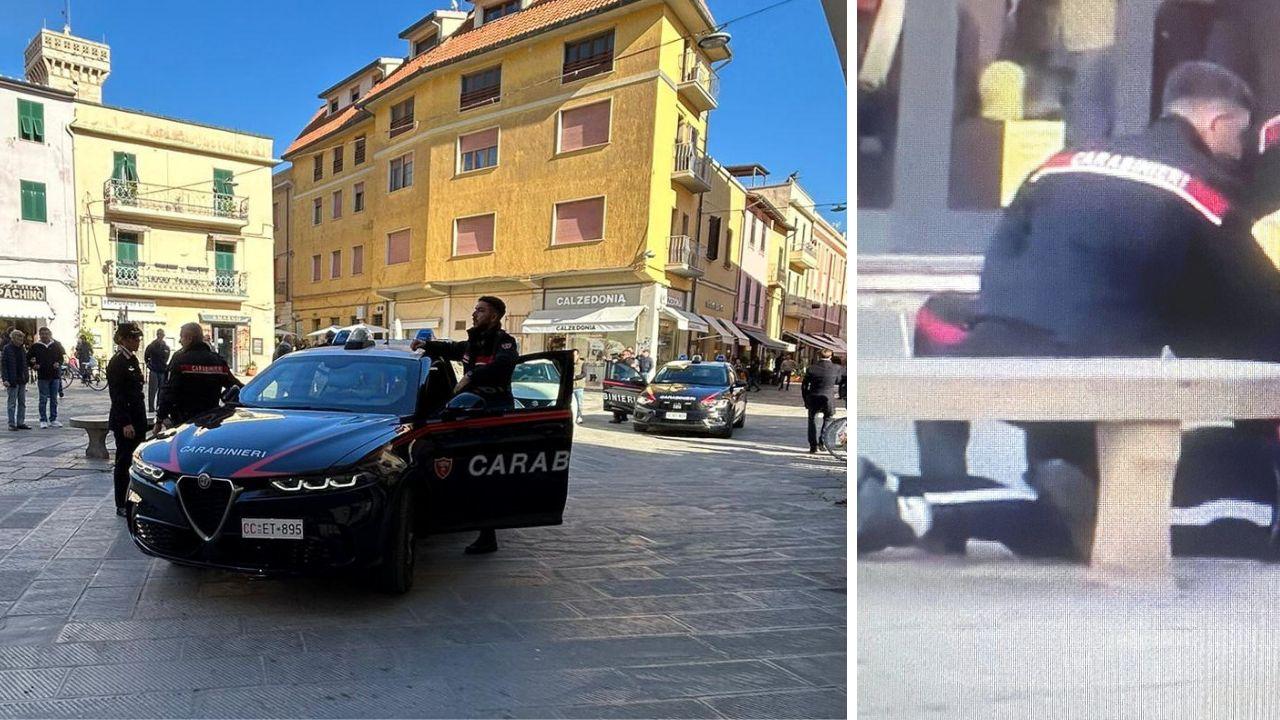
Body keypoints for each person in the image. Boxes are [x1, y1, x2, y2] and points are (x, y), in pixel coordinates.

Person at [863, 61, 1280, 561]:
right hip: (1091, 381)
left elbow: (1008, 263)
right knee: (1097, 524)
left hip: (986, 349)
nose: (1239, 155)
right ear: (1217, 123)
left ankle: (940, 493)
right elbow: (1257, 332)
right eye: (1239, 137)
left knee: (944, 315)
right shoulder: (1206, 197)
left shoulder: (1061, 161)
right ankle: (914, 506)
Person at [412, 296, 518, 555]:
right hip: (469, 412)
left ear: (494, 316)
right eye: (474, 309)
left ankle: (487, 533)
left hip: (493, 413)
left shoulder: (504, 342)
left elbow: (504, 365)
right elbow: (454, 349)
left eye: (480, 310)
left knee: (487, 475)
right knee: (469, 472)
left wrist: (471, 375)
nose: (474, 314)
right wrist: (426, 344)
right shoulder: (474, 341)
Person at [154, 322, 241, 434]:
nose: (180, 341)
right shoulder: (217, 360)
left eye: (182, 337)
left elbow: (169, 391)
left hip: (184, 421)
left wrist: (160, 419)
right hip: (211, 420)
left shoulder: (180, 360)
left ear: (189, 338)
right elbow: (235, 385)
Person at [107, 323, 146, 517]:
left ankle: (132, 497)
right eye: (133, 338)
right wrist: (125, 422)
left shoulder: (131, 359)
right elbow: (118, 395)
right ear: (122, 339)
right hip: (127, 419)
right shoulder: (118, 362)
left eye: (138, 338)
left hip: (136, 417)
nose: (137, 341)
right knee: (123, 462)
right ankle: (121, 502)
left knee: (133, 460)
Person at [801, 349, 842, 453]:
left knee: (812, 421)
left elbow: (804, 385)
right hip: (828, 398)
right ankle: (822, 442)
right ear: (831, 356)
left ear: (819, 356)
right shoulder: (836, 368)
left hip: (813, 397)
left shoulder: (811, 368)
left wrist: (805, 399)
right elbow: (839, 380)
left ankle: (813, 446)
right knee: (828, 419)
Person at [27, 327, 65, 428]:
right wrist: (33, 365)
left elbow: (61, 358)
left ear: (50, 334)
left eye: (46, 334)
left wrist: (58, 363)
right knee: (43, 398)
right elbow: (28, 358)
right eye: (42, 334)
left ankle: (53, 419)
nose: (44, 336)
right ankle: (43, 419)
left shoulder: (56, 345)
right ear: (39, 335)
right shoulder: (35, 346)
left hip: (54, 375)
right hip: (42, 376)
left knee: (54, 398)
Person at [1, 330, 30, 431]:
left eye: (21, 338)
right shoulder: (7, 348)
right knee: (12, 403)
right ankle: (11, 423)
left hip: (22, 379)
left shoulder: (22, 349)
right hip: (12, 379)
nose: (20, 340)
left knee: (22, 402)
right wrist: (5, 379)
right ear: (13, 339)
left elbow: (25, 363)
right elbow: (4, 365)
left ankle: (20, 422)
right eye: (18, 338)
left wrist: (26, 376)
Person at [143, 329, 171, 415]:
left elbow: (166, 357)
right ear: (157, 335)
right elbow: (146, 356)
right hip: (154, 370)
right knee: (152, 391)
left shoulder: (166, 347)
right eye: (159, 334)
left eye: (162, 334)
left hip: (162, 370)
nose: (160, 336)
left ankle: (159, 407)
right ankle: (151, 408)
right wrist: (149, 365)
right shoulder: (151, 346)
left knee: (161, 391)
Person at [571, 348, 586, 424]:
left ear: (578, 355)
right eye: (572, 355)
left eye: (575, 355)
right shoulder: (569, 363)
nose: (573, 357)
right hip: (570, 386)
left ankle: (579, 416)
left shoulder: (582, 363)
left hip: (578, 386)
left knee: (579, 403)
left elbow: (584, 373)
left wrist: (576, 377)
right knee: (570, 403)